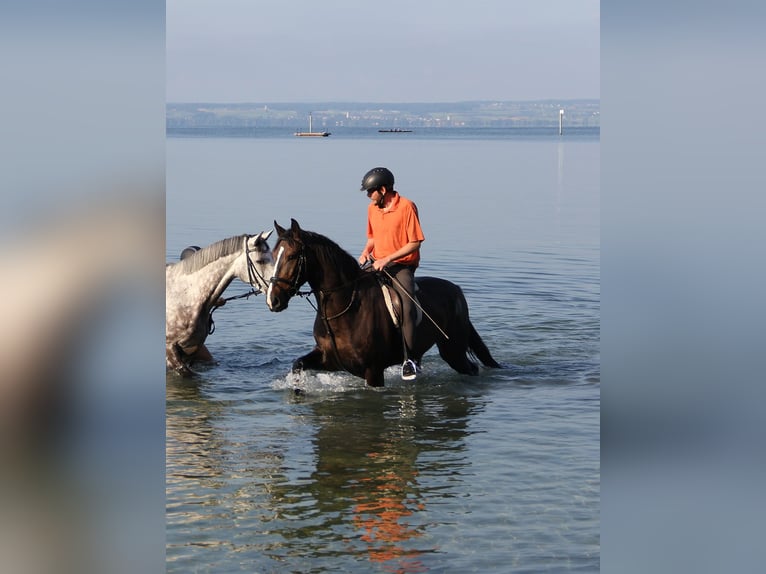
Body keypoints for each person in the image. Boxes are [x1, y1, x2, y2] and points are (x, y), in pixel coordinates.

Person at [357, 167, 425, 381]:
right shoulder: (372, 209)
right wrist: (365, 251)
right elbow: (373, 237)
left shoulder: (407, 207)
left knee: (407, 306)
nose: (368, 195)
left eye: (371, 191)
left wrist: (388, 259)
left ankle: (410, 359)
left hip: (401, 266)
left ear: (383, 190)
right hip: (377, 263)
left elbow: (415, 242)